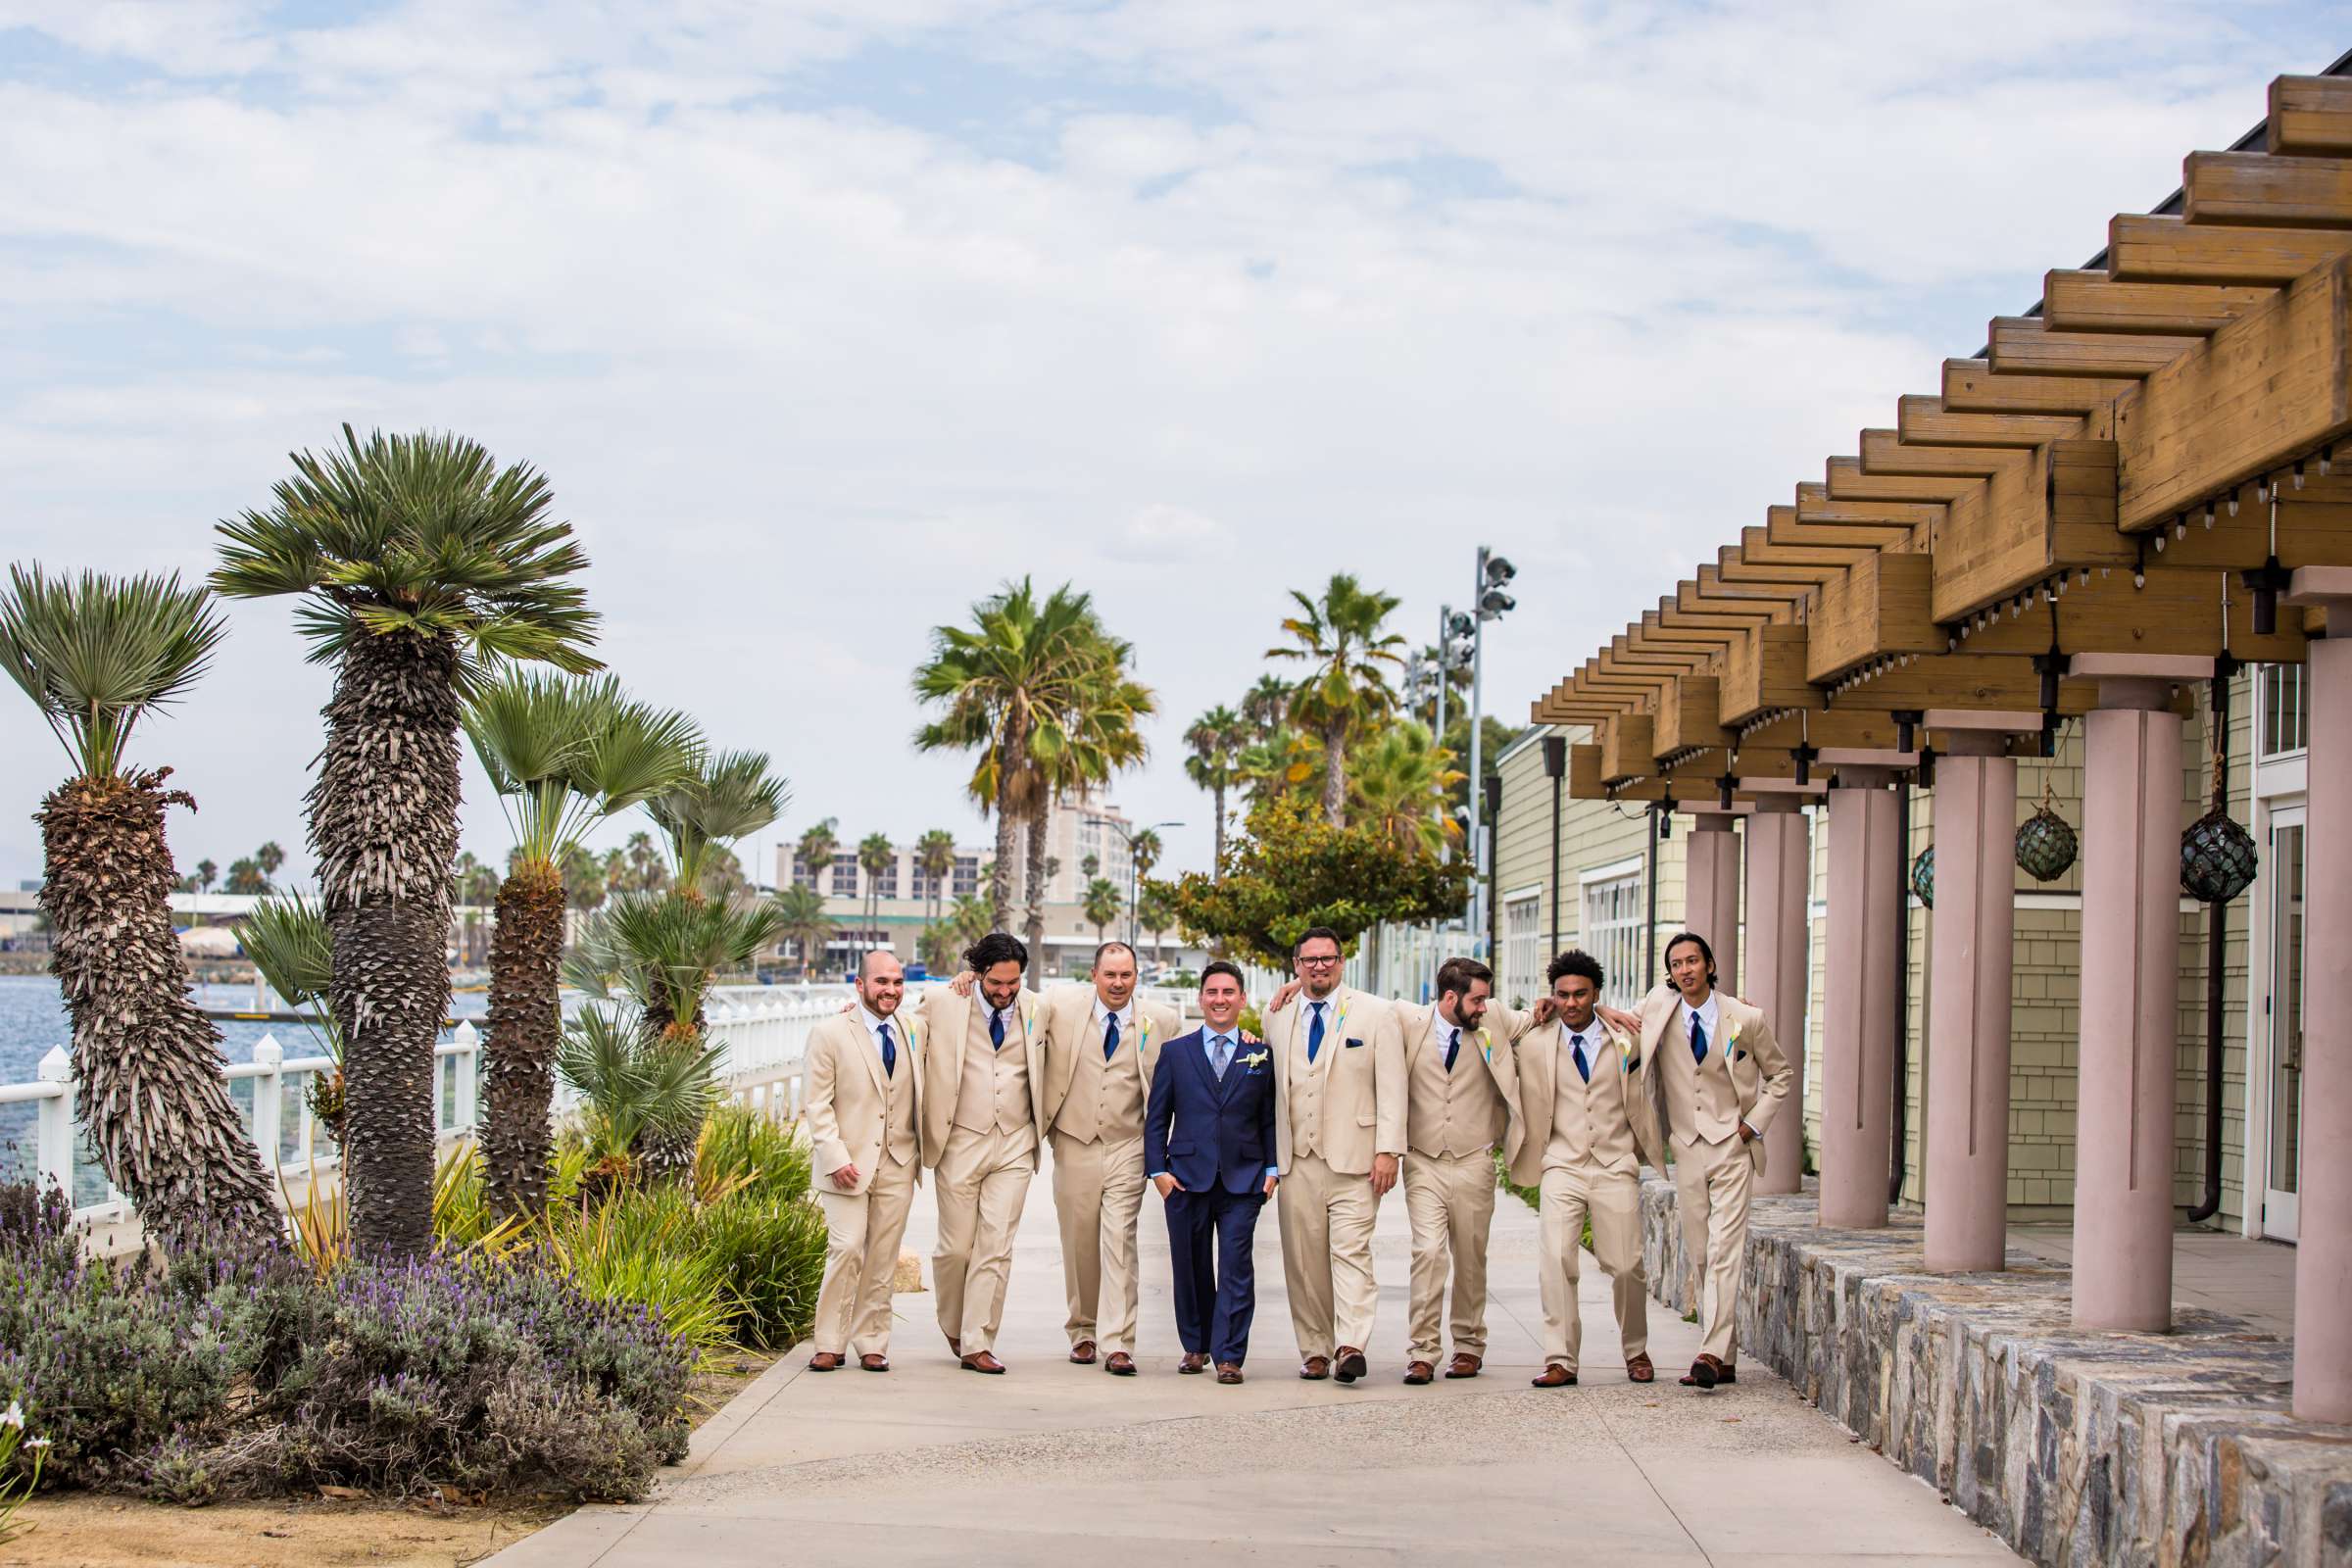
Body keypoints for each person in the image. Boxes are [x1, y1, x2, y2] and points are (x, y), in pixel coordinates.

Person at [1269, 954, 1533, 1384]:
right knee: (1427, 1253)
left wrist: (1598, 1008)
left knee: (1470, 1258)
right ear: (1451, 997)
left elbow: (1543, 1015)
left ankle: (1468, 1345)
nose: (1484, 1006)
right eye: (1478, 999)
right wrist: (1297, 985)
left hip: (1475, 1158)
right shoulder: (1407, 1020)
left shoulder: (1495, 1017)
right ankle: (1423, 1351)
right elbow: (1333, 997)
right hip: (1425, 1158)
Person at [1607, 930, 1792, 1390]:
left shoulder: (1745, 1017)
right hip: (1686, 1145)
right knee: (1700, 1251)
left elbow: (1781, 1073)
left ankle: (1708, 1353)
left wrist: (1754, 1123)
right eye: (1676, 964)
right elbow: (1618, 1027)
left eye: (1692, 961)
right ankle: (1725, 1356)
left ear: (1710, 965)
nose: (1685, 970)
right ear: (1669, 973)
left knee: (1725, 1247)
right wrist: (1593, 1007)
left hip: (1733, 1143)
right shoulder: (1657, 1009)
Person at [1509, 949, 1663, 1389]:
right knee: (1556, 1259)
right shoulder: (1536, 1039)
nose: (1571, 1003)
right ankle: (1560, 1358)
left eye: (1581, 994)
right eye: (1562, 995)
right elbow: (1490, 1023)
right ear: (1552, 996)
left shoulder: (1626, 1035)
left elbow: (1674, 997)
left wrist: (1743, 1009)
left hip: (1614, 1161)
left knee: (1626, 1265)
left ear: (1597, 994)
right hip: (1562, 1162)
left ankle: (1636, 1350)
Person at [1263, 926, 1403, 1384]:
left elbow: (1393, 1086)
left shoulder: (1377, 1013)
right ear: (1296, 965)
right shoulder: (1277, 1015)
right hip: (1296, 1158)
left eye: (1328, 959)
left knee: (1351, 1253)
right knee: (1304, 1262)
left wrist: (1388, 1150)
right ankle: (1315, 1349)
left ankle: (1351, 1344)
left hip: (1356, 1159)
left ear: (1342, 962)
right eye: (1310, 960)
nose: (1319, 966)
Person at [1035, 941, 1181, 1375]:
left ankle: (1117, 1342)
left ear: (1137, 976)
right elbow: (1010, 1000)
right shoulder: (1062, 1009)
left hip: (1129, 1144)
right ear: (1094, 975)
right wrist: (967, 980)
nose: (1118, 983)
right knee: (1079, 1243)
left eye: (1127, 975)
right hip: (1075, 1142)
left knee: (1119, 1242)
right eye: (1110, 974)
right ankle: (1083, 1330)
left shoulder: (1163, 1021)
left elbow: (1194, 1060)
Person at [912, 932, 1048, 1374]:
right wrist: (849, 1015)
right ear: (977, 972)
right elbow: (898, 1033)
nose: (1006, 992)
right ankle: (953, 1324)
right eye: (997, 984)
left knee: (996, 1245)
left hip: (1014, 1142)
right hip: (960, 1140)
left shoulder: (1038, 1008)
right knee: (954, 1248)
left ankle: (977, 1340)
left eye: (1014, 983)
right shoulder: (942, 1000)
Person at [1145, 960, 1278, 1385]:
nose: (1219, 1000)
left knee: (1237, 1265)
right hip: (1185, 1177)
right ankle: (1196, 1345)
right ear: (1201, 999)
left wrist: (1272, 1168)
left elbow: (1269, 1117)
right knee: (1190, 1265)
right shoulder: (1175, 1053)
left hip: (1244, 1178)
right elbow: (1156, 1117)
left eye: (1228, 993)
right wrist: (1158, 1173)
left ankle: (1230, 1355)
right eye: (1212, 993)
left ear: (1241, 999)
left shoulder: (1259, 1054)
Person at [802, 949, 925, 1373]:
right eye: (881, 982)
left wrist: (964, 981)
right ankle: (829, 1342)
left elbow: (953, 1014)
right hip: (846, 1165)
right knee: (846, 1248)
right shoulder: (829, 1032)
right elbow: (816, 1104)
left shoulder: (915, 1029)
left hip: (899, 1161)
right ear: (860, 985)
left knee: (883, 1256)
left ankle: (872, 1341)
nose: (890, 990)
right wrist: (834, 1157)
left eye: (897, 982)